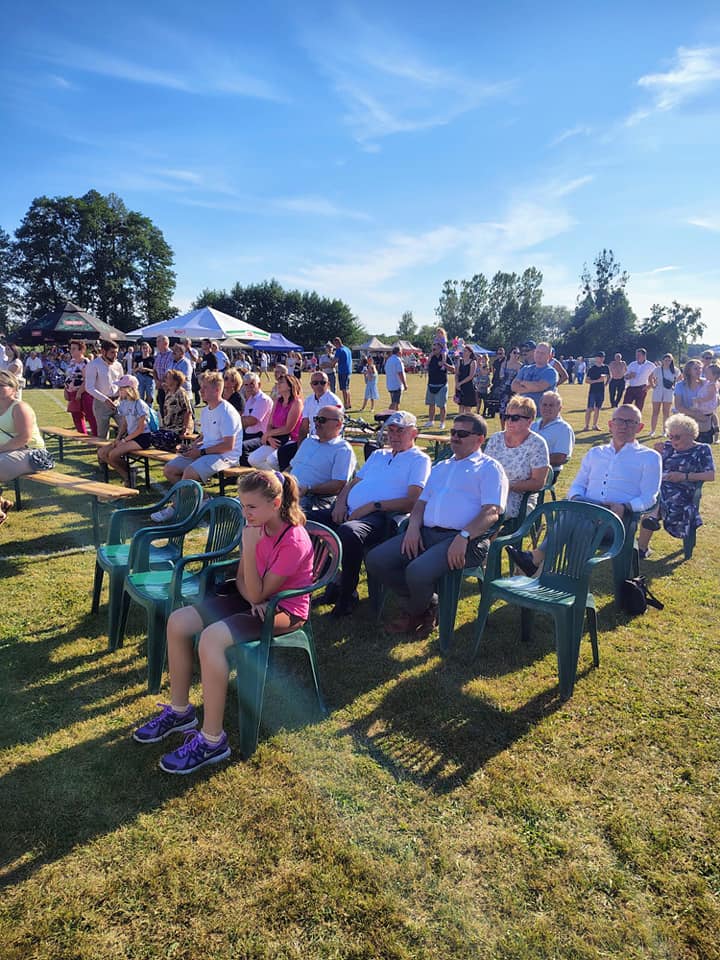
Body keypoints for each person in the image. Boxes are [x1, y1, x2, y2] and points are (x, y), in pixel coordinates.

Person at [133, 470, 314, 774]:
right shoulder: (255, 527)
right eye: (242, 506)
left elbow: (256, 588)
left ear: (277, 503)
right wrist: (253, 590)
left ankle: (212, 740)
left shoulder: (293, 540)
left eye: (252, 507)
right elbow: (245, 584)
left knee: (212, 639)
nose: (246, 514)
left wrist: (252, 564)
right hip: (255, 601)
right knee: (178, 621)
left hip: (285, 611)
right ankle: (180, 712)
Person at [366, 413, 508, 637]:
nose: (454, 437)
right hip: (427, 533)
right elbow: (421, 503)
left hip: (464, 540)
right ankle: (428, 603)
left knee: (417, 572)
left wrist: (463, 536)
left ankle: (413, 613)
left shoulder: (490, 468)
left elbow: (492, 512)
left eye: (462, 434)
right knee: (376, 560)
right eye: (453, 432)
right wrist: (413, 527)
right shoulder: (441, 466)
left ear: (480, 439)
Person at [507, 404, 662, 576]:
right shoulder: (595, 453)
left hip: (617, 521)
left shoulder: (649, 457)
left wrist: (626, 507)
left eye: (630, 422)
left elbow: (650, 497)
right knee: (580, 515)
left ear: (639, 427)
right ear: (611, 424)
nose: (623, 426)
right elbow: (577, 486)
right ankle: (568, 580)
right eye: (619, 421)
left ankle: (540, 562)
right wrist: (576, 498)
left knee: (575, 516)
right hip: (587, 510)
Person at [309, 411, 431, 617]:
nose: (394, 435)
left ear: (414, 433)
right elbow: (353, 483)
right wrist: (339, 502)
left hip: (381, 516)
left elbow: (412, 501)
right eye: (391, 430)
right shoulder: (378, 455)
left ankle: (346, 597)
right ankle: (334, 579)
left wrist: (372, 506)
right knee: (300, 521)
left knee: (349, 532)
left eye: (400, 431)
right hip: (348, 510)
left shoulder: (419, 460)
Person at [637, 414, 715, 558]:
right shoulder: (667, 447)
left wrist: (684, 476)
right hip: (660, 487)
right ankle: (641, 545)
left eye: (677, 437)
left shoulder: (702, 450)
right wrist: (657, 455)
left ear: (691, 435)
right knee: (650, 492)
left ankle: (646, 533)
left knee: (654, 499)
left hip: (684, 491)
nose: (672, 440)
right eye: (670, 436)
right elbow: (650, 470)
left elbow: (710, 475)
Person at [160, 371, 243, 490]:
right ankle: (203, 500)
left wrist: (200, 452)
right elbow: (205, 436)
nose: (200, 391)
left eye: (205, 387)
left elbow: (228, 446)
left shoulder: (227, 412)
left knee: (189, 473)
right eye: (201, 387)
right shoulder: (205, 411)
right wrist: (192, 447)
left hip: (225, 456)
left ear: (217, 390)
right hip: (207, 452)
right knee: (169, 470)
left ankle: (186, 503)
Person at [484, 395, 550, 521]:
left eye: (515, 418)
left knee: (488, 511)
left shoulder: (537, 444)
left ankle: (481, 539)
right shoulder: (496, 438)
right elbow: (484, 467)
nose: (509, 421)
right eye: (507, 416)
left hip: (519, 497)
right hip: (490, 491)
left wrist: (507, 486)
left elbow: (538, 483)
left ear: (529, 420)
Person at [289, 405, 356, 511]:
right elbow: (291, 467)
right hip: (288, 489)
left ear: (338, 424)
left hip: (312, 498)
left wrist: (308, 489)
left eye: (322, 420)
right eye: (316, 419)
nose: (317, 423)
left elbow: (338, 485)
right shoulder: (308, 442)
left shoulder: (342, 449)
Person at [277, 371, 343, 471]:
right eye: (315, 383)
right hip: (312, 441)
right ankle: (287, 482)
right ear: (311, 385)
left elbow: (335, 430)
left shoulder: (334, 402)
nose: (319, 385)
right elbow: (304, 427)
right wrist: (301, 447)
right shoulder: (309, 400)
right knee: (283, 452)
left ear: (328, 384)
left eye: (322, 382)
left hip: (327, 442)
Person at [97, 375, 152, 485]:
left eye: (121, 388)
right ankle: (129, 474)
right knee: (102, 452)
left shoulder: (140, 404)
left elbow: (141, 429)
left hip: (142, 438)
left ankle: (128, 478)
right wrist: (118, 438)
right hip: (130, 437)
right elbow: (124, 423)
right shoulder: (124, 403)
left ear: (129, 389)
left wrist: (124, 441)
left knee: (113, 455)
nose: (119, 390)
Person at [0, 371, 47, 486]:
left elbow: (24, 438)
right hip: (8, 452)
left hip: (32, 453)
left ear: (13, 389)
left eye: (1, 385)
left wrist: (1, 449)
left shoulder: (19, 408)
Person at [248, 373, 302, 471]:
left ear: (290, 386)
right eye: (278, 382)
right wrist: (269, 437)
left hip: (291, 440)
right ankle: (276, 478)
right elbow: (270, 424)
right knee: (253, 459)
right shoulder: (277, 401)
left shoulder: (296, 402)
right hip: (276, 438)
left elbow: (288, 428)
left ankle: (284, 479)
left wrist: (267, 434)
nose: (278, 384)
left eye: (281, 382)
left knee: (271, 460)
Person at [84, 340, 123, 439]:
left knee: (126, 428)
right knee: (102, 435)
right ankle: (102, 454)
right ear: (103, 352)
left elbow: (122, 383)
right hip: (101, 403)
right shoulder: (93, 365)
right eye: (112, 352)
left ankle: (121, 453)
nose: (115, 355)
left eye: (116, 352)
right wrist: (105, 399)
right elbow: (89, 387)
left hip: (118, 401)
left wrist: (119, 398)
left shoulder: (118, 365)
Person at [674, 359, 714, 444]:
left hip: (704, 422)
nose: (699, 371)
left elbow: (714, 400)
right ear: (688, 371)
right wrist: (695, 415)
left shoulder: (707, 383)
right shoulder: (680, 385)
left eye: (700, 368)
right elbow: (678, 406)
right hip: (686, 423)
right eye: (696, 368)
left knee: (704, 449)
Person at [531, 391, 575, 468]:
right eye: (544, 405)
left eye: (551, 405)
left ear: (559, 408)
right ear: (540, 406)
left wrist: (531, 459)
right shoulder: (533, 425)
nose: (547, 408)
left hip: (548, 472)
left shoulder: (563, 428)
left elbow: (561, 458)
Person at [511, 342, 559, 409]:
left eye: (542, 353)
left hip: (541, 414)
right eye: (537, 352)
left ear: (549, 356)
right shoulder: (525, 368)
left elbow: (538, 387)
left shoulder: (551, 372)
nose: (539, 355)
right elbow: (514, 386)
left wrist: (522, 383)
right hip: (523, 413)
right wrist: (531, 387)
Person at [238, 372, 273, 464]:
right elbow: (244, 419)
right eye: (246, 385)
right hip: (249, 434)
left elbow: (252, 420)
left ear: (259, 384)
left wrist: (233, 420)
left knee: (241, 447)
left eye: (252, 384)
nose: (249, 387)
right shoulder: (250, 399)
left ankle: (247, 473)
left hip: (261, 436)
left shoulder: (263, 399)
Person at [422, 340, 454, 429]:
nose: (434, 347)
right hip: (431, 384)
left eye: (436, 346)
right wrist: (428, 360)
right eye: (433, 345)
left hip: (442, 385)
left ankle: (442, 423)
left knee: (442, 405)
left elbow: (453, 369)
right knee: (431, 404)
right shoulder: (431, 357)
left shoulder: (445, 357)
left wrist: (445, 364)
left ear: (441, 348)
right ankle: (430, 421)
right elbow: (425, 367)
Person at [63, 340, 92, 434]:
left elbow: (87, 379)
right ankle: (82, 435)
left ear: (81, 350)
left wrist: (79, 392)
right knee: (76, 416)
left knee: (90, 416)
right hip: (72, 393)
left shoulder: (86, 362)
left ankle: (95, 437)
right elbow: (69, 377)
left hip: (83, 393)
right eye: (70, 349)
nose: (71, 351)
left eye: (74, 349)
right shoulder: (72, 362)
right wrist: (66, 390)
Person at [648, 353, 679, 437]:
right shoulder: (658, 369)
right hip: (658, 391)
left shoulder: (675, 370)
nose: (667, 362)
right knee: (655, 411)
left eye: (669, 360)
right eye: (666, 360)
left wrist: (674, 386)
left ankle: (665, 431)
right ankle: (652, 430)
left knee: (666, 412)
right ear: (663, 361)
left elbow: (680, 378)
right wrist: (653, 385)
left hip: (668, 392)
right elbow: (650, 377)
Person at [690, 362, 720, 442]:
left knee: (699, 414)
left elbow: (709, 397)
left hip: (707, 405)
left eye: (707, 373)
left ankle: (710, 433)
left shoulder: (712, 385)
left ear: (714, 375)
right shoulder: (708, 382)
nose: (705, 374)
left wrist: (700, 400)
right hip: (706, 405)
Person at [583, 350, 610, 431]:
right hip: (593, 391)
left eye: (602, 357)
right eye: (599, 357)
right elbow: (587, 381)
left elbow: (609, 376)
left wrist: (606, 383)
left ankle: (595, 425)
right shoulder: (592, 369)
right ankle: (586, 425)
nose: (601, 359)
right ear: (596, 358)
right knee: (589, 408)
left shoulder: (605, 367)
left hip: (601, 391)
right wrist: (597, 381)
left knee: (598, 408)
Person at [496, 346, 523, 421]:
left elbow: (520, 379)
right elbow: (501, 376)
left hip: (514, 391)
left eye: (518, 353)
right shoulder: (504, 364)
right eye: (514, 352)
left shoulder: (520, 366)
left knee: (513, 411)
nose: (516, 355)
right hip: (503, 390)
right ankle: (503, 429)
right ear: (510, 354)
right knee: (502, 411)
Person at [153, 336, 174, 416]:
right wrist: (156, 381)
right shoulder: (158, 355)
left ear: (165, 343)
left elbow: (170, 372)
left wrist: (162, 382)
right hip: (160, 386)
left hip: (169, 387)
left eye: (158, 342)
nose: (156, 344)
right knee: (162, 407)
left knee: (169, 408)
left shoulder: (171, 355)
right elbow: (154, 370)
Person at [454, 344, 477, 414]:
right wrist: (457, 384)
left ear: (470, 352)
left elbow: (471, 376)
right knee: (461, 406)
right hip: (460, 386)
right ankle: (460, 423)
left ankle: (467, 423)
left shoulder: (473, 362)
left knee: (467, 407)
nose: (464, 352)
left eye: (466, 351)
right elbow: (457, 373)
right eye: (463, 351)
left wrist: (460, 383)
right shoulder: (460, 361)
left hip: (468, 386)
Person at [384, 345, 407, 411]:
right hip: (397, 385)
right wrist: (405, 384)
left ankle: (396, 416)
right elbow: (400, 373)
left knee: (396, 403)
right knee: (394, 403)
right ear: (399, 352)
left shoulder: (389, 360)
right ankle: (386, 416)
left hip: (390, 384)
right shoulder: (398, 360)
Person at [332, 337, 353, 409]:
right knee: (347, 388)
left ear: (336, 343)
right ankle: (349, 403)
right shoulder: (348, 349)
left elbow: (334, 362)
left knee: (344, 389)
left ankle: (345, 404)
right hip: (348, 370)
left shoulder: (339, 350)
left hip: (343, 371)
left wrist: (328, 364)